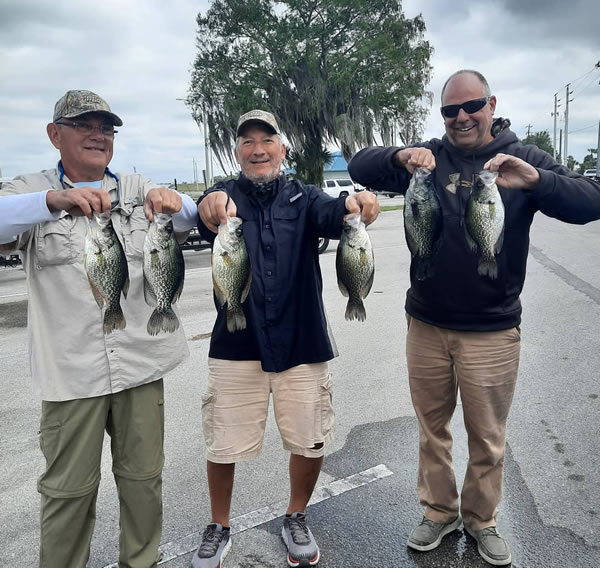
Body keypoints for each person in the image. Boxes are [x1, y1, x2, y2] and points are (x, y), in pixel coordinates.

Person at [348, 70, 600, 566]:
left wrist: (539, 182)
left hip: (492, 327)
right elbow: (361, 165)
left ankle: (481, 520)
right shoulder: (428, 158)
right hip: (426, 322)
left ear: (491, 104)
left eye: (472, 105)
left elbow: (591, 201)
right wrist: (400, 156)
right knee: (432, 428)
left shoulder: (523, 157)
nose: (461, 117)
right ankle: (438, 512)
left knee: (487, 436)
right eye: (450, 110)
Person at [0, 90, 199, 568]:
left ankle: (142, 562)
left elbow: (192, 216)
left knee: (144, 483)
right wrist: (53, 200)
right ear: (55, 135)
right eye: (84, 125)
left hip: (140, 367)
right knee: (67, 493)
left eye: (106, 128)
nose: (98, 135)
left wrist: (175, 201)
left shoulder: (134, 186)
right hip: (71, 376)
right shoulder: (29, 189)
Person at [190, 109, 379, 568]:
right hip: (237, 343)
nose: (258, 149)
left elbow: (336, 214)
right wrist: (207, 207)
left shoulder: (305, 196)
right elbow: (203, 213)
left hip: (302, 341)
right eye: (247, 142)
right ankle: (219, 524)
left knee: (309, 439)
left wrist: (360, 204)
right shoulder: (223, 199)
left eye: (267, 140)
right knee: (223, 442)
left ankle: (296, 515)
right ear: (236, 152)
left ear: (283, 149)